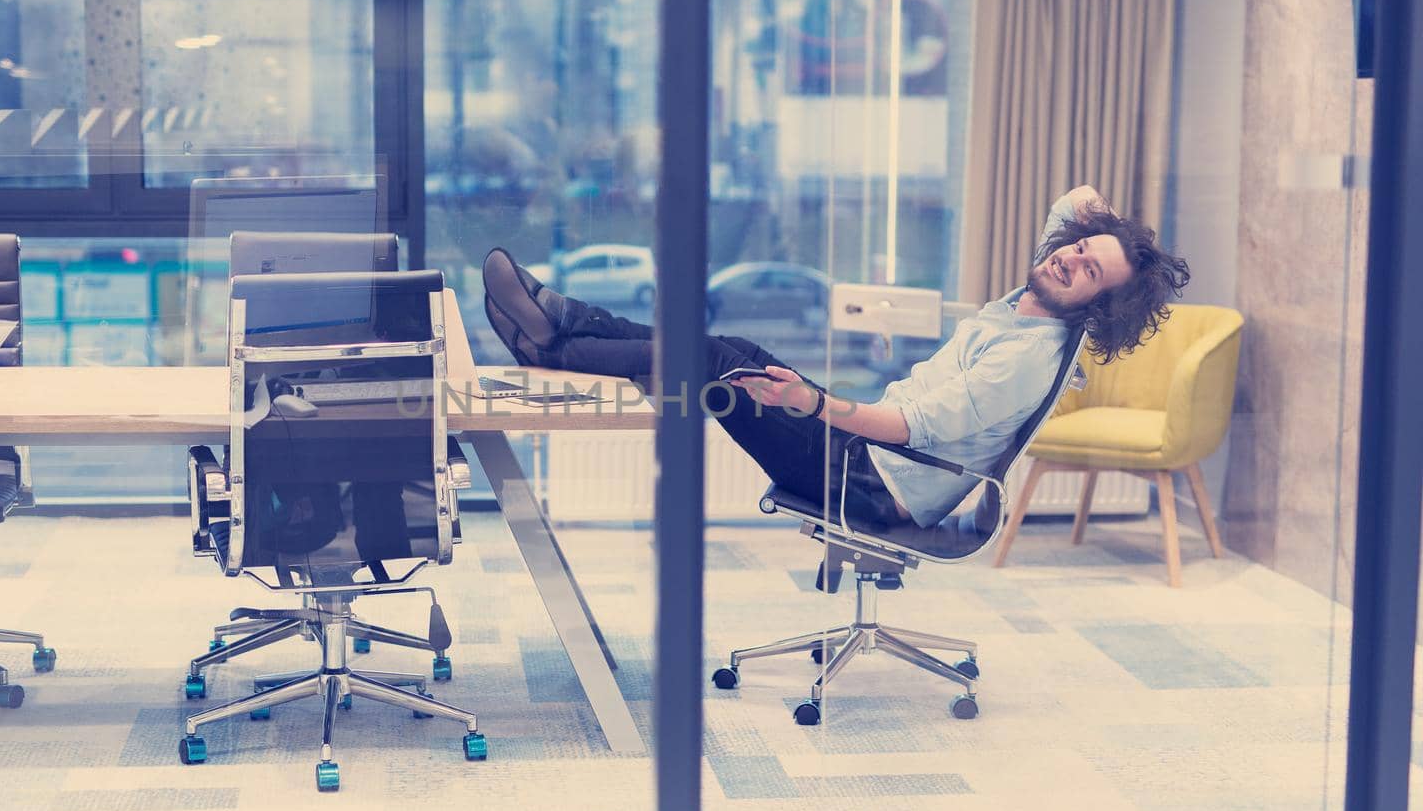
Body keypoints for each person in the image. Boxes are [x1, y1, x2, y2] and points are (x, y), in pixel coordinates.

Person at [482, 185, 1191, 531]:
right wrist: (1114, 236)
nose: (1070, 259)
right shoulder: (1031, 300)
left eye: (1091, 271)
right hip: (862, 453)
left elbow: (913, 426)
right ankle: (563, 330)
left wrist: (814, 403)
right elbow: (1074, 202)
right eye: (1076, 247)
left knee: (718, 359)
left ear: (1098, 306)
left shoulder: (1028, 359)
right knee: (734, 354)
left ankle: (556, 336)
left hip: (875, 482)